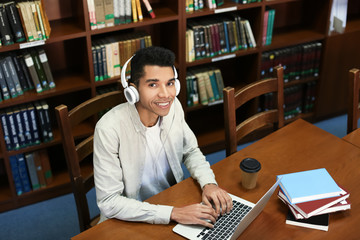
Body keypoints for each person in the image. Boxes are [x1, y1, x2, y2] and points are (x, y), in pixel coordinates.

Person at [93, 46, 232, 228]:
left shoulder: (173, 108)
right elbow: (109, 201)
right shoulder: (108, 129)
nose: (166, 94)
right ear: (132, 90)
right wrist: (173, 213)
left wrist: (209, 183)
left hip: (173, 200)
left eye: (170, 83)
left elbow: (190, 151)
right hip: (131, 217)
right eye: (153, 84)